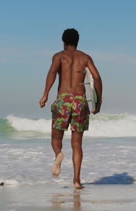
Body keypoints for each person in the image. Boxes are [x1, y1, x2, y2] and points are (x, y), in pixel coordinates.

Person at [39, 28, 102, 189]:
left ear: (63, 42)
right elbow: (96, 77)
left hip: (63, 99)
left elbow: (52, 72)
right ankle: (76, 180)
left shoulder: (59, 56)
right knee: (77, 144)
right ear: (77, 41)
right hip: (80, 101)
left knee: (56, 136)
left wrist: (45, 94)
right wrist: (97, 101)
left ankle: (58, 154)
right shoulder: (85, 57)